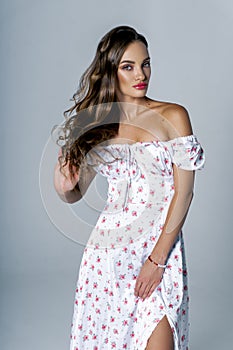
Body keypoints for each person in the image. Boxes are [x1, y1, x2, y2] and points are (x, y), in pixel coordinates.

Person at [53, 26, 205, 350]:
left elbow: (184, 193)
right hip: (108, 256)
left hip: (159, 250)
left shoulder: (174, 115)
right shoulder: (100, 126)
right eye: (128, 66)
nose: (141, 74)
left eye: (146, 63)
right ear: (111, 71)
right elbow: (72, 192)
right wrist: (64, 169)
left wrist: (157, 260)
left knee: (161, 335)